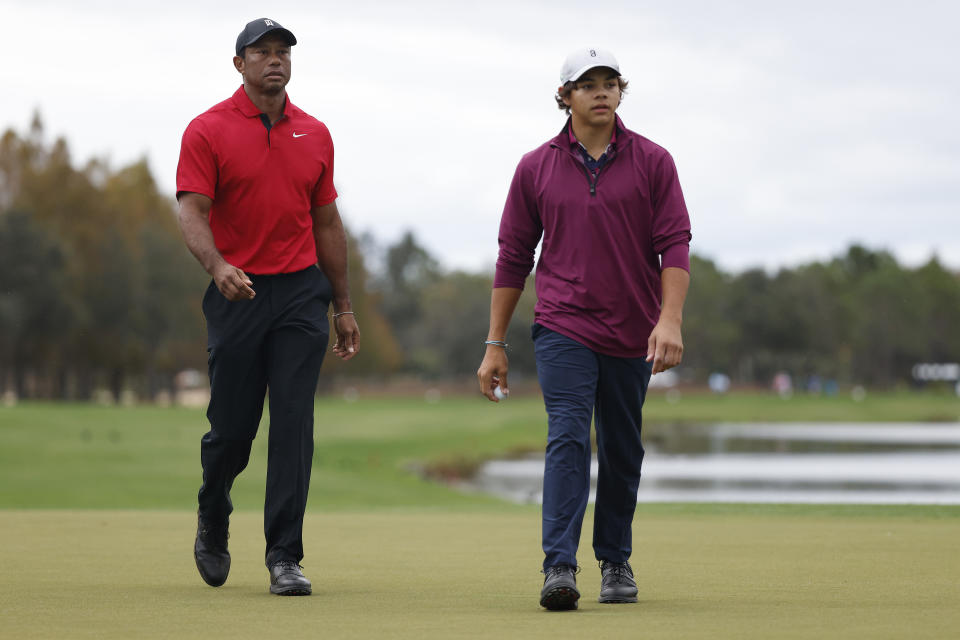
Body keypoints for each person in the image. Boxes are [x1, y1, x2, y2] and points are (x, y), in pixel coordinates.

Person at [476, 47, 691, 611]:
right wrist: (495, 344)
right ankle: (559, 568)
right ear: (564, 96)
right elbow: (513, 257)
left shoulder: (654, 161)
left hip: (633, 331)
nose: (600, 92)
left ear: (621, 91)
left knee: (622, 449)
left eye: (609, 83)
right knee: (568, 436)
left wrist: (669, 320)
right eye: (586, 84)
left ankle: (615, 560)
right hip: (562, 326)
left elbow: (675, 245)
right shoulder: (535, 166)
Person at [176, 17, 360, 596]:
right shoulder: (207, 130)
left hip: (301, 294)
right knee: (232, 430)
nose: (275, 60)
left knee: (293, 426)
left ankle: (284, 555)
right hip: (237, 291)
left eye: (283, 52)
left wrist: (343, 304)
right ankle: (214, 508)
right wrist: (217, 266)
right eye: (262, 52)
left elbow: (327, 222)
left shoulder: (316, 133)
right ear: (240, 64)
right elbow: (191, 210)